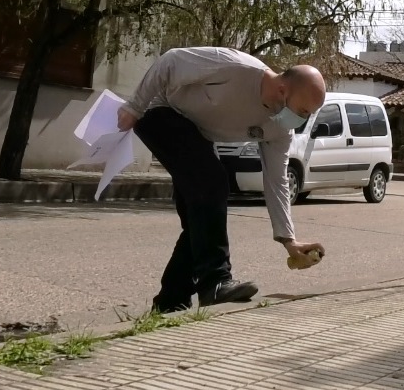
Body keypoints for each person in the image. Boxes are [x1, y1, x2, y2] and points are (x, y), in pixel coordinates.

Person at [116, 46, 327, 313]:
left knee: (200, 221)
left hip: (197, 133)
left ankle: (170, 300)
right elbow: (170, 61)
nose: (301, 119)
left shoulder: (279, 128)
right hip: (159, 109)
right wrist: (134, 106)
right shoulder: (235, 67)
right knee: (214, 182)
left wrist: (289, 240)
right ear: (283, 90)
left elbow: (277, 181)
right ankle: (215, 282)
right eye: (303, 111)